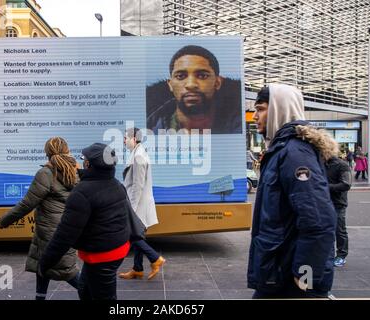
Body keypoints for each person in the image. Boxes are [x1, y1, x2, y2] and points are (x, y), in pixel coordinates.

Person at [247, 84, 337, 299]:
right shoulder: (281, 150)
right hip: (278, 271)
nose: (254, 116)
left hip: (292, 279)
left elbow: (319, 219)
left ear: (279, 108)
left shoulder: (295, 153)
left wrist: (305, 275)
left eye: (260, 109)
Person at [39, 143, 130, 300]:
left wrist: (46, 262)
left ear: (89, 164)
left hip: (102, 254)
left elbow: (65, 234)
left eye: (83, 159)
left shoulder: (82, 193)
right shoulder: (116, 185)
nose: (82, 162)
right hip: (118, 247)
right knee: (85, 289)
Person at [0, 137, 80, 300]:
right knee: (43, 265)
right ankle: (39, 298)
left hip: (51, 230)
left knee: (66, 271)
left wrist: (5, 220)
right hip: (65, 228)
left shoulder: (46, 173)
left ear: (47, 152)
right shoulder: (74, 170)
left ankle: (96, 295)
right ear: (67, 150)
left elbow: (27, 203)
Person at [146, 45, 242, 134]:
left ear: (217, 83)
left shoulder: (238, 125)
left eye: (202, 76)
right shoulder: (149, 129)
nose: (191, 84)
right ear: (170, 85)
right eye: (181, 76)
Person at [119, 128, 166, 280]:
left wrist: (131, 209)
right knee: (138, 235)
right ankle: (137, 269)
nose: (124, 141)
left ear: (134, 138)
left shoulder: (138, 156)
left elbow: (138, 186)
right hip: (139, 203)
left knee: (133, 235)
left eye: (125, 138)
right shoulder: (138, 153)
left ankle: (155, 258)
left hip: (137, 204)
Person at [325, 155, 351, 268]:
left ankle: (341, 255)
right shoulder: (321, 164)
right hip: (324, 202)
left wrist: (326, 187)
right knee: (325, 230)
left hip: (338, 203)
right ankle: (328, 255)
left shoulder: (342, 165)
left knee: (339, 230)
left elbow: (346, 184)